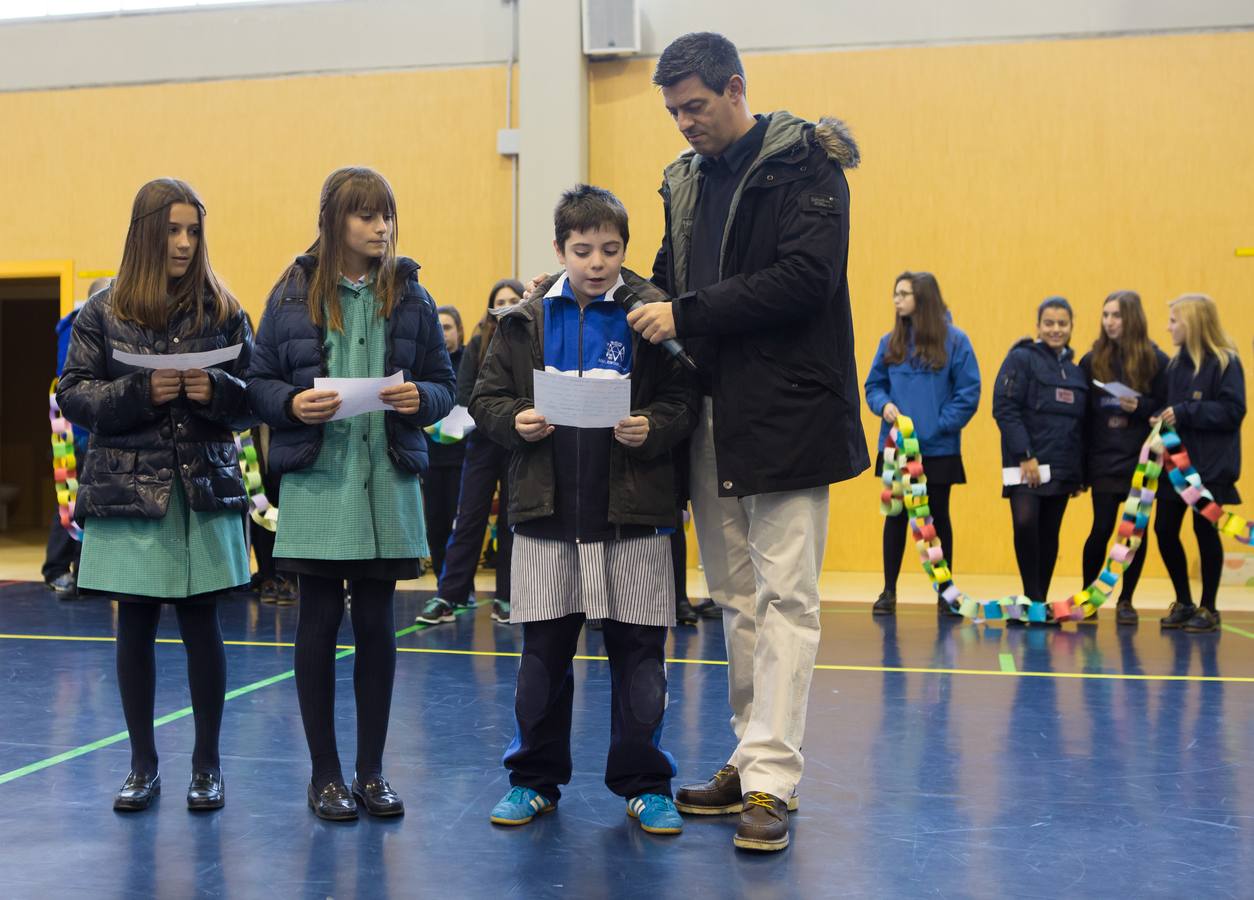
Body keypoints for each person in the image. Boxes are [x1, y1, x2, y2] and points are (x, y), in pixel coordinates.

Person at [626, 32, 867, 852]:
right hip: (711, 411)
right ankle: (750, 751)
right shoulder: (685, 181)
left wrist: (685, 314)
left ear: (736, 88)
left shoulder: (807, 165)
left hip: (791, 412)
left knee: (787, 599)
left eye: (694, 106)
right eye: (672, 112)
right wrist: (606, 290)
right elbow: (667, 272)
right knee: (733, 598)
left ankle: (771, 781)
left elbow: (808, 278)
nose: (683, 124)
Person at [474, 185, 698, 836]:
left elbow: (685, 401)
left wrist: (651, 426)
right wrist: (515, 419)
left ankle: (645, 783)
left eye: (609, 249)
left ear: (625, 249)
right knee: (541, 660)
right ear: (558, 250)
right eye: (582, 250)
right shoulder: (522, 320)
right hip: (545, 517)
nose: (597, 263)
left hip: (632, 517)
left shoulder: (651, 316)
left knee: (640, 663)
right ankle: (533, 780)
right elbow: (487, 397)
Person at [247, 166, 455, 821]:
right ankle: (326, 777)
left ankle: (371, 772)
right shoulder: (290, 294)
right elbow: (257, 383)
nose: (381, 227)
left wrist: (421, 398)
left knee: (375, 626)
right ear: (335, 221)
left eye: (387, 215)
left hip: (386, 483)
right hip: (317, 484)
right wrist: (292, 404)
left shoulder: (413, 295)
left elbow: (446, 385)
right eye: (367, 216)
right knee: (316, 624)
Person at [57, 178, 254, 812]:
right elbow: (75, 393)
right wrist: (142, 394)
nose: (184, 242)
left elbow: (256, 394)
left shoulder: (222, 306)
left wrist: (216, 392)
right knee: (134, 628)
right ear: (146, 232)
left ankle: (207, 766)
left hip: (202, 486)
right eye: (172, 230)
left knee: (204, 627)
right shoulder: (102, 310)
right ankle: (142, 765)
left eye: (193, 230)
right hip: (127, 489)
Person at [864, 271, 980, 617]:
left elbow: (968, 392)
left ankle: (945, 591)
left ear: (923, 298)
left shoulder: (956, 342)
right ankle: (888, 590)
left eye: (904, 293)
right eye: (895, 293)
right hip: (897, 449)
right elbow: (874, 385)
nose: (896, 299)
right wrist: (883, 405)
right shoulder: (890, 343)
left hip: (939, 449)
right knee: (895, 517)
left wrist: (936, 426)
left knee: (938, 517)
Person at [415, 279, 522, 626]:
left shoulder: (536, 339)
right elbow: (465, 396)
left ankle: (507, 597)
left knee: (512, 523)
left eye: (512, 299)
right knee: (468, 520)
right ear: (491, 307)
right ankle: (450, 594)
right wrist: (498, 416)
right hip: (481, 443)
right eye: (499, 300)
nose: (506, 304)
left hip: (522, 444)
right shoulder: (478, 344)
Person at [1154, 294, 1245, 634]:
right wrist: (1161, 419)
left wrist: (1186, 411)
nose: (1168, 327)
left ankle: (1209, 606)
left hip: (1210, 468)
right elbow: (1172, 408)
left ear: (1192, 323)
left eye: (1174, 320)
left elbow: (1232, 411)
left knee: (1204, 530)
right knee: (1164, 529)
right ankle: (1184, 601)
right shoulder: (1176, 366)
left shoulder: (1225, 363)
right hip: (1175, 466)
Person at [1078, 291, 1168, 625]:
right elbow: (1083, 416)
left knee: (1134, 533)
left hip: (1141, 459)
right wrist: (1082, 464)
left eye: (1116, 315)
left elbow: (1166, 407)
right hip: (1103, 458)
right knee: (1101, 528)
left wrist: (1141, 407)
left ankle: (1126, 600)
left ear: (1132, 318)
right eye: (1105, 315)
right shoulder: (1092, 360)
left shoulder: (1155, 359)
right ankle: (1089, 595)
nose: (1110, 322)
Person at [992, 297, 1087, 612]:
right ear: (1038, 326)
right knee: (1025, 523)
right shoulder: (1021, 359)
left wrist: (1079, 472)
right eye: (1049, 323)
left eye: (1062, 323)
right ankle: (1031, 594)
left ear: (1071, 327)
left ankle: (1038, 601)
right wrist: (1025, 454)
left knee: (1050, 532)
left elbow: (1083, 423)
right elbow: (1004, 409)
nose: (1056, 329)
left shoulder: (1076, 372)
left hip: (1062, 469)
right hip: (1026, 466)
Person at [43, 276, 111, 598]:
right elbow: (72, 382)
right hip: (76, 432)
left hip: (90, 429)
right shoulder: (78, 327)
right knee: (70, 504)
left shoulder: (84, 325)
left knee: (87, 504)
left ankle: (84, 572)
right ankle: (57, 568)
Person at [421, 304, 468, 579]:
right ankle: (442, 582)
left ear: (459, 331)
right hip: (431, 458)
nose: (442, 332)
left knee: (459, 524)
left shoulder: (469, 361)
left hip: (463, 457)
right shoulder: (426, 364)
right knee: (436, 524)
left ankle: (462, 585)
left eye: (447, 327)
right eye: (437, 327)